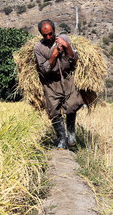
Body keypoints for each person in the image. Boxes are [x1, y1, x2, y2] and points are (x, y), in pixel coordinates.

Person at [34, 19, 84, 149]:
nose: (48, 37)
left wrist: (67, 47)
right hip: (50, 82)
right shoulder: (38, 48)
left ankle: (71, 135)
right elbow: (44, 69)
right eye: (45, 35)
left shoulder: (64, 38)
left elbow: (74, 60)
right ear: (41, 34)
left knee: (72, 105)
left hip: (67, 79)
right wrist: (54, 55)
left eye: (50, 34)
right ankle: (62, 137)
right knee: (54, 111)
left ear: (54, 31)